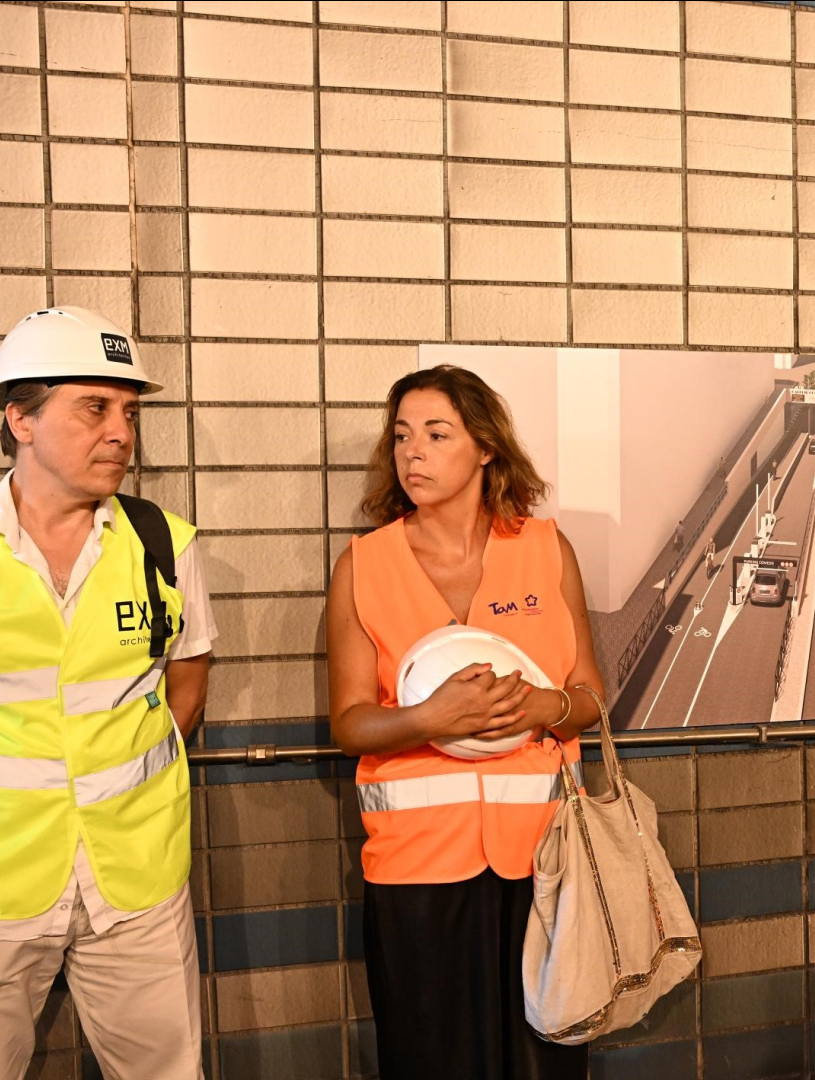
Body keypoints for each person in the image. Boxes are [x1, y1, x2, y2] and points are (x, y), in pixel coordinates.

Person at [0, 307, 217, 1080]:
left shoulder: (165, 542)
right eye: (94, 408)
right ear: (19, 417)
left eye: (128, 411)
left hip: (138, 880)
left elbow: (187, 676)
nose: (121, 432)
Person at [327, 365, 606, 1080]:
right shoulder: (364, 565)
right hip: (416, 869)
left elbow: (592, 700)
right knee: (431, 1060)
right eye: (400, 436)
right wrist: (429, 718)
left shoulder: (547, 549)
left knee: (544, 1055)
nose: (411, 452)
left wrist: (548, 708)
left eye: (436, 433)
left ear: (485, 447)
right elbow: (350, 724)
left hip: (544, 861)